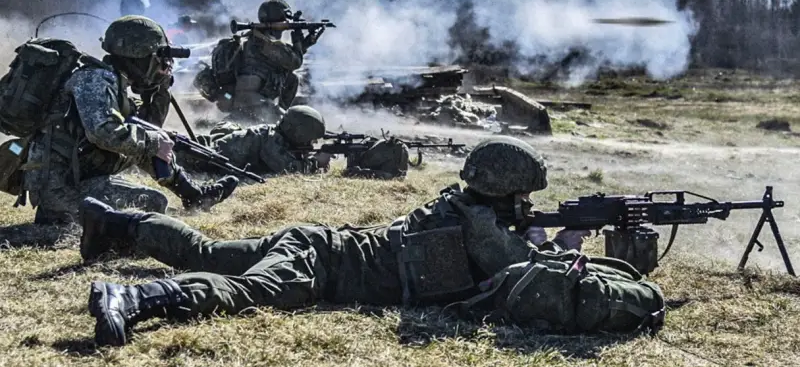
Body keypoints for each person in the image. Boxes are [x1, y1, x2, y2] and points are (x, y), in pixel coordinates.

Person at [79, 136, 611, 346]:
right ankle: (133, 297)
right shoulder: (482, 230)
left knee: (207, 253)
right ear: (504, 190)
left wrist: (533, 229)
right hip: (322, 264)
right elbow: (529, 279)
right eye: (521, 195)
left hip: (317, 243)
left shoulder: (466, 202)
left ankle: (114, 224)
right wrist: (567, 242)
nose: (525, 203)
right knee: (248, 291)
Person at [22, 15, 240, 225]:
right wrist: (154, 142)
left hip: (79, 174)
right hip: (60, 188)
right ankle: (56, 214)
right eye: (157, 59)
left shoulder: (113, 83)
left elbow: (148, 125)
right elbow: (104, 132)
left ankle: (193, 194)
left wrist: (160, 88)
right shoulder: (94, 79)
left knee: (146, 139)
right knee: (154, 201)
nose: (161, 64)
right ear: (139, 57)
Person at [177, 107, 410, 180]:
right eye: (308, 140)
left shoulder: (279, 137)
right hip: (201, 158)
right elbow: (286, 169)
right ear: (296, 133)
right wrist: (313, 164)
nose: (311, 144)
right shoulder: (270, 141)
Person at [194, 0, 324, 124]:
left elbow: (287, 60)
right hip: (254, 104)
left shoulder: (254, 38)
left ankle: (276, 113)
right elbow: (295, 62)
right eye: (285, 21)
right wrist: (297, 36)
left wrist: (304, 44)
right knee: (290, 127)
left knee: (292, 78)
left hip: (239, 100)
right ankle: (274, 119)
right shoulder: (267, 44)